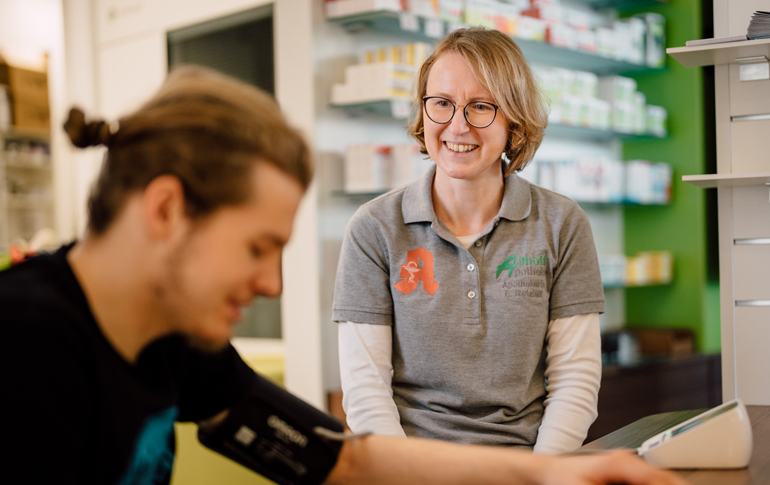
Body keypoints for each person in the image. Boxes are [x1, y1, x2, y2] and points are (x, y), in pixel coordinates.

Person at [1, 65, 687, 485]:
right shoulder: (29, 347)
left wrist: (555, 474)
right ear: (166, 209)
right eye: (257, 247)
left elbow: (341, 461)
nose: (272, 283)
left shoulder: (176, 343)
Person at [334, 28, 604, 454]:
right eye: (441, 103)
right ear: (423, 113)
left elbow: (576, 379)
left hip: (525, 466)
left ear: (514, 118)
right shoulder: (374, 229)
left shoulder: (561, 223)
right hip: (412, 467)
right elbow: (366, 390)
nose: (456, 126)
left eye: (480, 107)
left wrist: (539, 476)